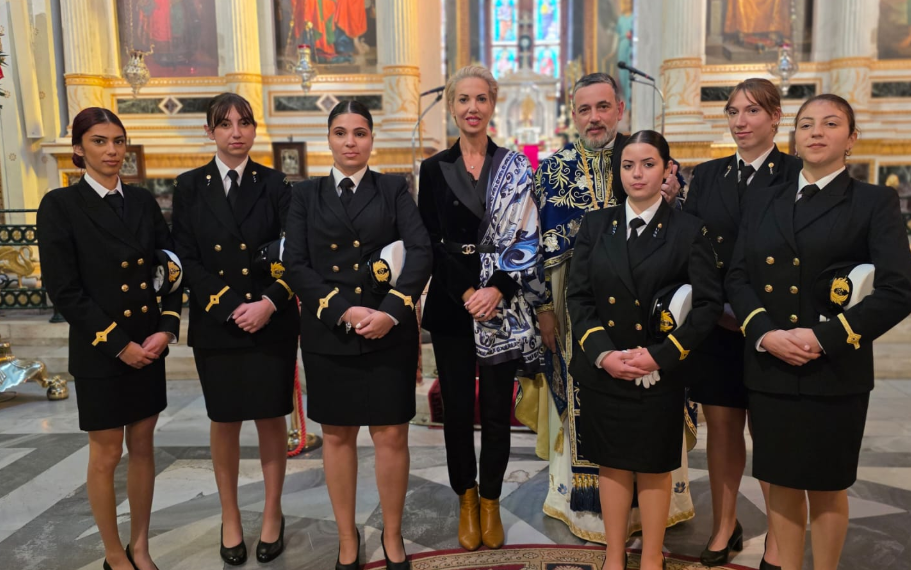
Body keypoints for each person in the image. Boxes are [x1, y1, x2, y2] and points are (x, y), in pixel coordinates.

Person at [726, 94, 911, 570]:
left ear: (851, 138)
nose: (816, 132)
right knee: (782, 482)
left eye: (830, 123)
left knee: (827, 487)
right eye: (806, 123)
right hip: (771, 364)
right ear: (794, 136)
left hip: (834, 367)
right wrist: (764, 333)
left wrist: (823, 338)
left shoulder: (872, 201)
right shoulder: (764, 198)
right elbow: (738, 277)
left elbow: (898, 290)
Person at [534, 72, 690, 542]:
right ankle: (584, 507)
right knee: (589, 403)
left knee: (653, 407)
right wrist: (544, 307)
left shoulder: (649, 157)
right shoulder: (553, 170)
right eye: (584, 109)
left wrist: (677, 198)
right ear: (573, 114)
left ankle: (653, 513)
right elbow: (536, 246)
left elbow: (687, 237)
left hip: (653, 313)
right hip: (579, 313)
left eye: (603, 107)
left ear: (620, 109)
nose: (595, 117)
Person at [282, 100, 432, 570]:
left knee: (391, 437)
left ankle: (392, 534)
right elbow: (296, 264)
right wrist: (343, 311)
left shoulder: (393, 188)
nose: (351, 142)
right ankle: (347, 538)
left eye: (360, 133)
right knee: (337, 437)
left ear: (371, 139)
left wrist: (393, 310)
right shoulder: (304, 194)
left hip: (388, 333)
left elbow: (421, 250)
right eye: (341, 133)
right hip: (332, 334)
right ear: (328, 138)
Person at [567, 130, 723, 570]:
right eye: (628, 165)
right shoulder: (596, 225)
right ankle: (615, 555)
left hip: (658, 370)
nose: (637, 174)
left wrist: (662, 355)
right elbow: (579, 297)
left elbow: (707, 306)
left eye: (649, 164)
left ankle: (652, 556)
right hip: (606, 368)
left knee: (654, 465)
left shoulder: (689, 230)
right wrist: (604, 354)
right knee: (612, 464)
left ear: (667, 169)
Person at [37, 107, 183, 570]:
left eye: (118, 141)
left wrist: (166, 327)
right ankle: (114, 553)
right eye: (99, 141)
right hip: (101, 348)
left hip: (148, 344)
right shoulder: (60, 205)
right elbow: (64, 289)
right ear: (78, 149)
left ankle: (140, 546)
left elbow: (170, 267)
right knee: (106, 453)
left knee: (143, 448)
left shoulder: (141, 201)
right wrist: (119, 344)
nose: (112, 151)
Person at [418, 65, 544, 551]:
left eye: (481, 99)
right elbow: (429, 240)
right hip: (454, 305)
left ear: (493, 105)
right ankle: (466, 499)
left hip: (502, 305)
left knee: (494, 411)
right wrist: (469, 290)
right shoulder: (434, 169)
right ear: (452, 107)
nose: (472, 108)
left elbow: (528, 235)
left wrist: (497, 289)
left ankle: (490, 500)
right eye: (463, 99)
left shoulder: (515, 166)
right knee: (456, 412)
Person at [171, 93, 299, 566]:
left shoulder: (277, 184)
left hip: (270, 320)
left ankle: (271, 512)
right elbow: (186, 257)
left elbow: (295, 252)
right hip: (217, 323)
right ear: (210, 131)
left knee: (270, 417)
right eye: (225, 124)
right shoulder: (189, 186)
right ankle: (230, 515)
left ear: (254, 129)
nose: (236, 132)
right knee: (224, 420)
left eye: (244, 123)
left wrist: (268, 303)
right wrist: (229, 305)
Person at [683, 77, 802, 569]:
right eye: (733, 112)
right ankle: (724, 524)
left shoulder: (795, 172)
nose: (740, 121)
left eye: (752, 111)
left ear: (775, 117)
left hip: (774, 325)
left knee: (769, 434)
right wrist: (713, 307)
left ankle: (778, 536)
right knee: (723, 428)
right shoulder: (708, 175)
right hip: (718, 324)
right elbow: (692, 245)